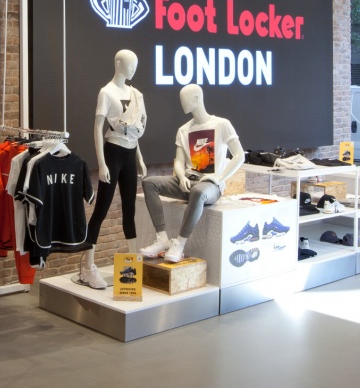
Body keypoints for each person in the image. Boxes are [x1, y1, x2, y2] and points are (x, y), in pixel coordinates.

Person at [139, 85, 243, 263]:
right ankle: (162, 239)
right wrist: (181, 177)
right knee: (149, 183)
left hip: (210, 185)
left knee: (198, 192)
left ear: (197, 98)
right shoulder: (183, 130)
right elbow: (178, 161)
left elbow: (239, 156)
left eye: (185, 98)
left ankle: (179, 243)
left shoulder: (221, 124)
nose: (181, 103)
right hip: (187, 180)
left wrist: (218, 178)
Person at [78, 50, 147, 289]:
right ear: (118, 63)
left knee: (130, 211)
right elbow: (97, 128)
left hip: (129, 153)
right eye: (131, 64)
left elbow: (135, 130)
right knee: (101, 211)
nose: (134, 69)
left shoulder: (135, 93)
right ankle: (88, 267)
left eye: (136, 64)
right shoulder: (106, 93)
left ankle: (134, 267)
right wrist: (102, 163)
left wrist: (139, 157)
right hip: (113, 153)